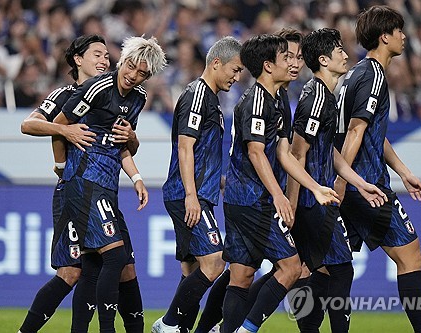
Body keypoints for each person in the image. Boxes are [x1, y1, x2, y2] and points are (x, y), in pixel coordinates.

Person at [18, 34, 148, 333]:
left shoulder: (116, 96)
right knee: (72, 271)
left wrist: (132, 140)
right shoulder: (66, 94)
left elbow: (124, 147)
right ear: (78, 59)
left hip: (103, 188)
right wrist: (66, 135)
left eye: (107, 56)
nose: (105, 60)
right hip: (74, 189)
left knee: (106, 266)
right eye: (97, 55)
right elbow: (29, 124)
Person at [221, 34, 340, 333]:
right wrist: (278, 195)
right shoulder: (256, 100)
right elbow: (255, 151)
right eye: (285, 57)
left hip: (246, 199)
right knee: (290, 267)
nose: (293, 61)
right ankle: (247, 329)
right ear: (268, 65)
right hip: (251, 199)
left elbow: (285, 154)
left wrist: (313, 186)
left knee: (242, 276)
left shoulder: (279, 99)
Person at [52, 35, 166, 333]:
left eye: (142, 73)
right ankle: (107, 329)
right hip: (84, 180)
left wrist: (137, 177)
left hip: (108, 184)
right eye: (130, 66)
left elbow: (123, 146)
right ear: (122, 60)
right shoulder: (98, 87)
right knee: (115, 256)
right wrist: (62, 167)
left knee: (94, 267)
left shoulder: (138, 98)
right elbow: (60, 125)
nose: (133, 75)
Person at [334, 6, 421, 333]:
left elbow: (372, 131)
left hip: (352, 183)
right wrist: (344, 181)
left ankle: (240, 319)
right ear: (384, 37)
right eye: (398, 30)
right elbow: (355, 131)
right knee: (411, 256)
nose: (404, 36)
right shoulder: (374, 75)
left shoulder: (354, 74)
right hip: (367, 187)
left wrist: (404, 171)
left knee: (322, 268)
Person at [288, 28, 387, 333]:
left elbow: (329, 152)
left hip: (317, 196)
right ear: (323, 59)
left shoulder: (326, 98)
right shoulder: (316, 97)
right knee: (338, 268)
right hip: (311, 200)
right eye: (339, 50)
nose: (346, 54)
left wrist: (358, 182)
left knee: (305, 270)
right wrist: (294, 201)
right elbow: (296, 152)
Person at [152, 36, 244, 333]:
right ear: (216, 63)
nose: (237, 76)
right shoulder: (197, 96)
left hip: (196, 192)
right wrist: (192, 194)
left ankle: (179, 329)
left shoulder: (210, 99)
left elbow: (201, 151)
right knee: (216, 262)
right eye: (234, 69)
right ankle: (168, 324)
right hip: (187, 195)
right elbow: (184, 146)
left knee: (191, 269)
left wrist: (219, 180)